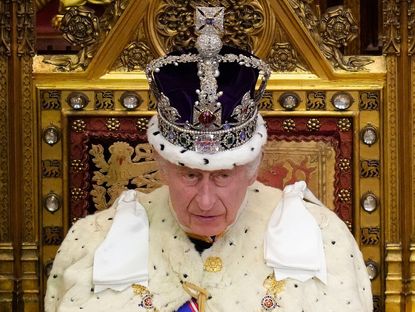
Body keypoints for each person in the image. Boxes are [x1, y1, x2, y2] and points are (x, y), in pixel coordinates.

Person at [45, 7, 373, 312]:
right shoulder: (97, 241)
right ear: (161, 165)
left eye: (222, 177)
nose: (204, 202)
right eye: (189, 175)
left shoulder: (321, 239)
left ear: (250, 169)